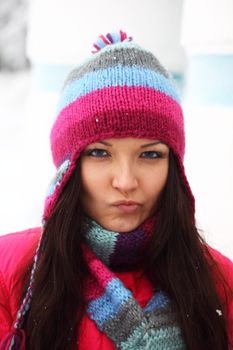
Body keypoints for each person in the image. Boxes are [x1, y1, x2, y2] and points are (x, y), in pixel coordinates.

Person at [0, 30, 232, 350]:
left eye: (150, 155)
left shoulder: (220, 283)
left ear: (174, 168)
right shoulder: (10, 273)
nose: (125, 181)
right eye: (99, 153)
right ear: (69, 168)